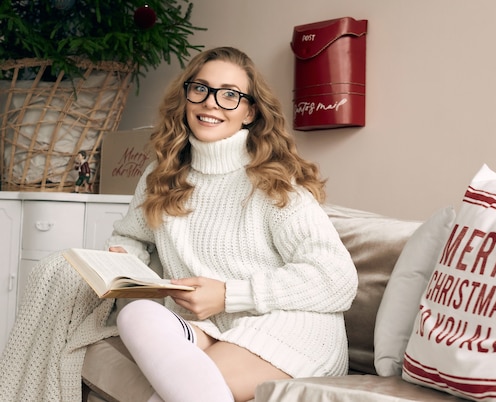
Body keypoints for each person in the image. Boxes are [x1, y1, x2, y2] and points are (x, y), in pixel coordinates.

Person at [106, 46, 358, 402]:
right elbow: (132, 236)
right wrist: (121, 260)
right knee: (136, 316)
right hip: (211, 328)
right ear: (187, 97)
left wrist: (228, 295)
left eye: (230, 95)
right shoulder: (161, 175)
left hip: (286, 325)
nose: (211, 103)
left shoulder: (274, 179)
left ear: (250, 111)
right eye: (201, 89)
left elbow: (337, 279)